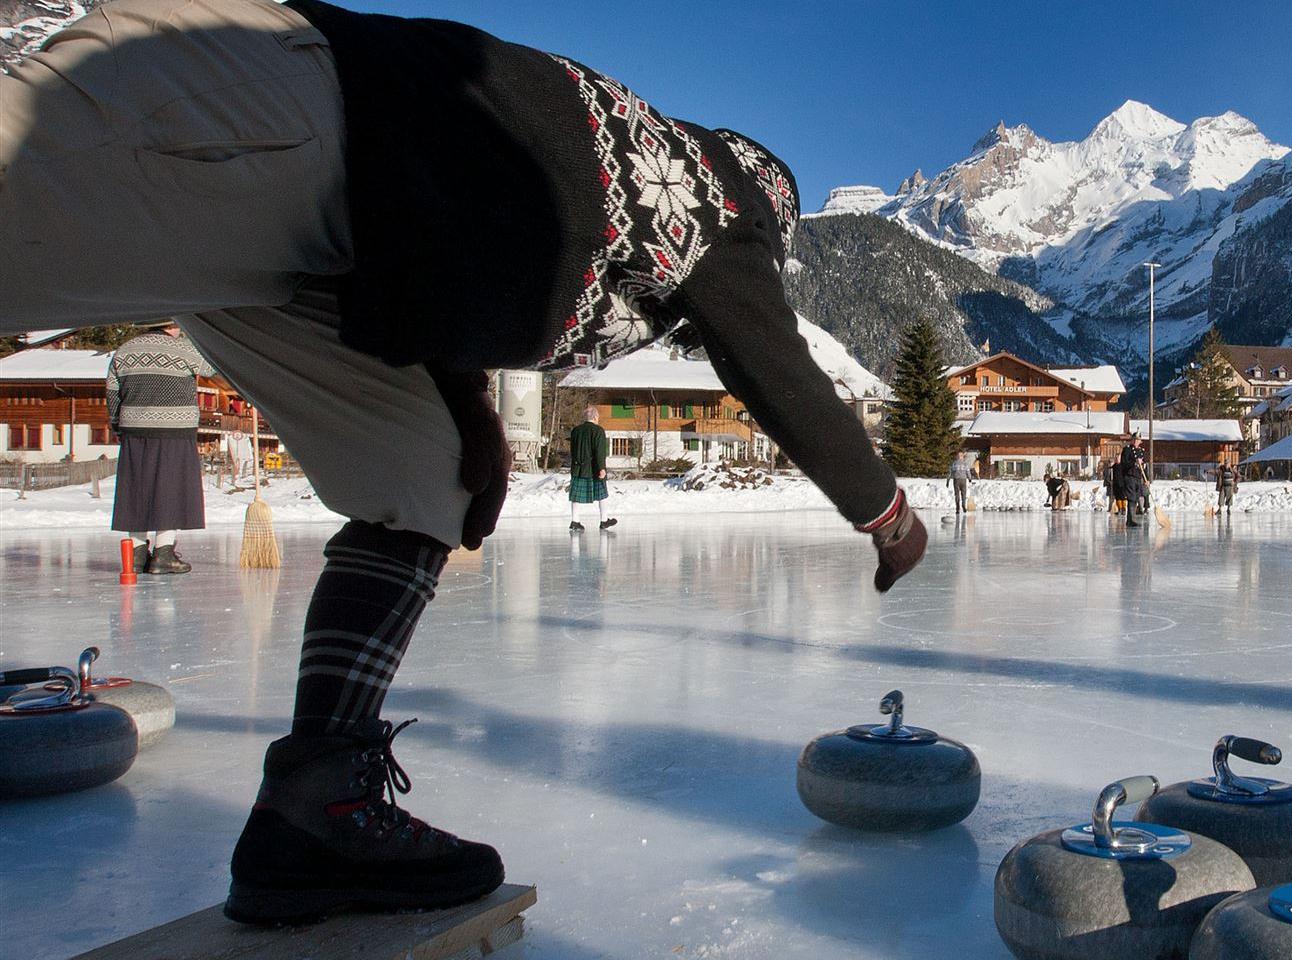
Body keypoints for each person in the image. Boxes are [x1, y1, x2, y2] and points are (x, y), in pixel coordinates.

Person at [1, 0, 926, 925]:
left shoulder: (606, 189)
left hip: (324, 238)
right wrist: (888, 513)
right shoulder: (717, 201)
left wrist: (467, 408)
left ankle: (317, 809)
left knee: (423, 477)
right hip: (275, 107)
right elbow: (773, 364)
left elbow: (442, 249)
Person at [106, 322, 214, 574]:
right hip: (174, 429)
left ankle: (136, 556)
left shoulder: (125, 350)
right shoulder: (183, 348)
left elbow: (112, 392)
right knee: (170, 490)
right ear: (173, 325)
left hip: (134, 429)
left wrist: (117, 425)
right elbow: (211, 367)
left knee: (136, 490)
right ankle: (164, 554)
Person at [568, 405, 612, 531]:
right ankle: (604, 521)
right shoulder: (598, 431)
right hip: (594, 469)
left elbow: (573, 451)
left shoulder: (576, 430)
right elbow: (600, 451)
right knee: (602, 494)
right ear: (595, 417)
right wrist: (602, 468)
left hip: (578, 468)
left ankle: (575, 521)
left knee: (576, 496)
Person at [1119, 436, 1149, 527]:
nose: (1136, 441)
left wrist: (1146, 479)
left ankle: (1131, 519)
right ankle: (1130, 520)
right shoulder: (1127, 450)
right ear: (1132, 440)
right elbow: (1124, 463)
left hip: (1138, 477)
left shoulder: (1142, 451)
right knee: (1131, 497)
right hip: (1129, 477)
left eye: (1138, 440)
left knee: (1136, 498)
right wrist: (1134, 462)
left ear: (1140, 441)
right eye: (1134, 439)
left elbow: (1144, 467)